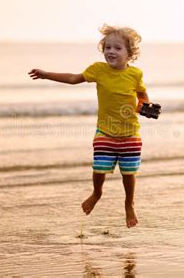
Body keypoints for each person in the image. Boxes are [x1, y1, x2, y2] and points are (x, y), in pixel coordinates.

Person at [28, 24, 150, 228]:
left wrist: (144, 105)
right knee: (99, 168)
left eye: (117, 48)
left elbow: (142, 94)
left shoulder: (135, 74)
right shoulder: (98, 70)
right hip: (105, 131)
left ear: (130, 54)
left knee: (128, 173)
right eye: (107, 47)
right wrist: (46, 74)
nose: (111, 51)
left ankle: (129, 204)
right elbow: (74, 79)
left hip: (130, 133)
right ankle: (97, 193)